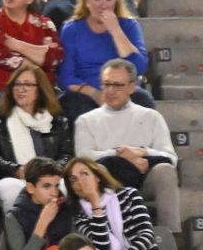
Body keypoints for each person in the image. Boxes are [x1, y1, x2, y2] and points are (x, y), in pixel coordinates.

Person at [73, 60, 177, 226]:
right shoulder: (86, 120)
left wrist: (141, 152)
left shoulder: (151, 117)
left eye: (118, 85)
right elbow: (84, 156)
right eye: (106, 84)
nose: (111, 91)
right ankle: (105, 232)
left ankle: (171, 235)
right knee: (96, 170)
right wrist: (121, 153)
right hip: (107, 178)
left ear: (132, 87)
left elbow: (170, 156)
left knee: (165, 170)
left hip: (145, 178)